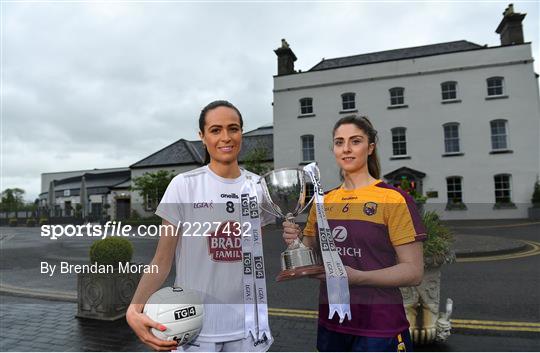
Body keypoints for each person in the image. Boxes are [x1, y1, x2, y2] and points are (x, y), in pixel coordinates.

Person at [127, 100, 274, 352]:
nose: (226, 137)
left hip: (249, 326)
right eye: (216, 130)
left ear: (242, 133)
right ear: (202, 137)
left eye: (233, 128)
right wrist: (134, 308)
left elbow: (254, 254)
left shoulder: (257, 185)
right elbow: (162, 260)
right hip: (195, 326)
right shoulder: (184, 185)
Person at [283, 115, 425, 352]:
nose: (346, 149)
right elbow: (310, 257)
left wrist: (357, 277)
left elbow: (413, 271)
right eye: (339, 142)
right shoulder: (323, 201)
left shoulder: (393, 199)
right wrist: (295, 243)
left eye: (355, 141)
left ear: (370, 147)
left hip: (380, 325)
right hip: (333, 324)